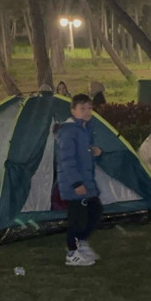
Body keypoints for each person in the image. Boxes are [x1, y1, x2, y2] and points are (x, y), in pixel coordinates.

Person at [56, 94, 103, 266]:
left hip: (87, 181)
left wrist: (95, 151)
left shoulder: (85, 129)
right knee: (77, 219)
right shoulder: (68, 131)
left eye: (89, 108)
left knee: (95, 210)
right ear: (73, 110)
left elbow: (83, 154)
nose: (87, 111)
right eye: (82, 108)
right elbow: (66, 160)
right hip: (74, 184)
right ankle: (72, 254)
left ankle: (82, 244)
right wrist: (76, 183)